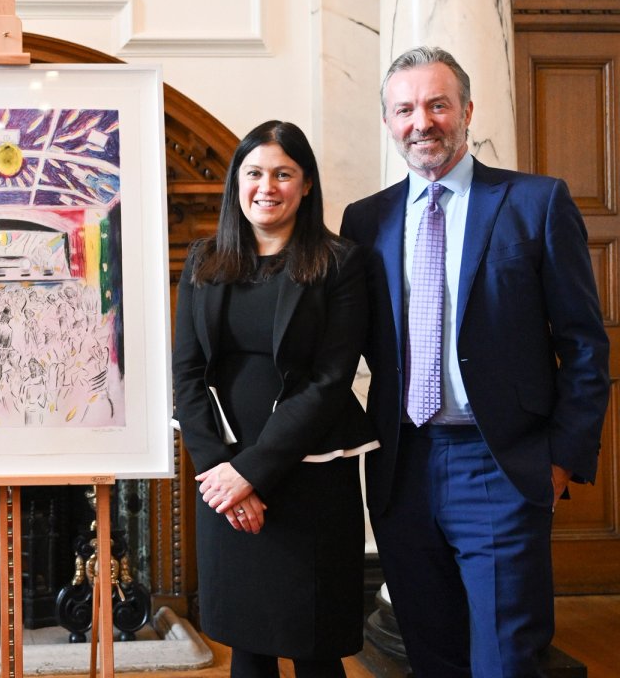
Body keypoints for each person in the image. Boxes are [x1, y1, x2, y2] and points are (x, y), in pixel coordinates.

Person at [340, 46, 610, 677]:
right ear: (388, 122)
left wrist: (562, 460)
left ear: (466, 110)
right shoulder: (366, 220)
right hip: (402, 466)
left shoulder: (534, 203)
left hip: (501, 467)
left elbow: (585, 343)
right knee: (431, 657)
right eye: (405, 108)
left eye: (437, 104)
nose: (422, 121)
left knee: (504, 661)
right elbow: (340, 345)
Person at [173, 120, 379, 678]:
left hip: (310, 475)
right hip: (222, 478)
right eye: (256, 173)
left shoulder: (341, 263)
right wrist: (222, 471)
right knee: (247, 641)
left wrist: (253, 473)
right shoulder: (204, 260)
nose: (268, 186)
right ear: (237, 182)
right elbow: (187, 376)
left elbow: (331, 381)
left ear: (306, 184)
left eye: (283, 173)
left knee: (313, 645)